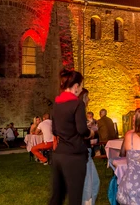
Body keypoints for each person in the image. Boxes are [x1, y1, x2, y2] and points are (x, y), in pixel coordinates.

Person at [49, 69, 91, 205]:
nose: (81, 89)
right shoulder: (78, 104)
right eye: (81, 86)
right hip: (74, 155)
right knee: (75, 197)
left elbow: (54, 130)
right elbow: (82, 129)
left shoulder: (57, 103)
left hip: (59, 154)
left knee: (57, 196)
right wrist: (91, 133)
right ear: (76, 86)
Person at [79, 89, 100, 205]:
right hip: (83, 150)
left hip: (85, 150)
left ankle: (88, 201)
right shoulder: (79, 113)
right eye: (87, 97)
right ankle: (86, 202)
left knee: (94, 181)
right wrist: (91, 131)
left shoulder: (79, 114)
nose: (89, 99)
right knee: (90, 181)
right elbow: (83, 133)